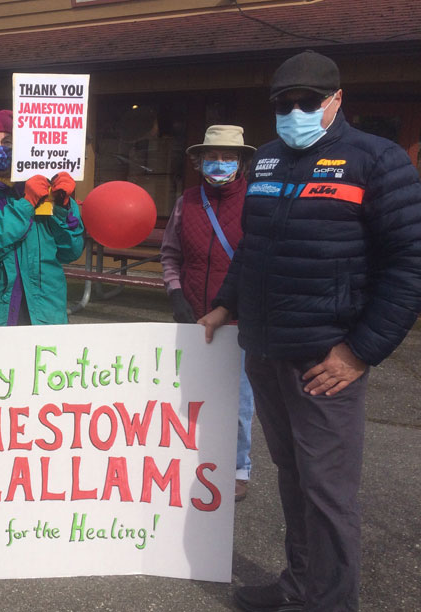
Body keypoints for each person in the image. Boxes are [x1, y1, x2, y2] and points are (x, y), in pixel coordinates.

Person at [199, 50, 421, 612]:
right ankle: (298, 586)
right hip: (267, 350)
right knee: (294, 481)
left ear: (336, 100)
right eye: (283, 103)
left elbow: (409, 264)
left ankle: (330, 602)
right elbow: (253, 247)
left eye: (307, 102)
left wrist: (360, 352)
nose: (293, 111)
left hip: (327, 361)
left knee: (327, 493)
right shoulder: (269, 162)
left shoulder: (378, 161)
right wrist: (225, 305)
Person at [160, 125, 256, 502]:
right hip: (191, 317)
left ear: (242, 162)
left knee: (239, 402)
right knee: (189, 396)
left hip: (238, 320)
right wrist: (175, 292)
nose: (218, 163)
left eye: (227, 156)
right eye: (211, 157)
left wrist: (231, 305)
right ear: (200, 161)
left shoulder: (254, 202)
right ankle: (191, 460)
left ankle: (237, 468)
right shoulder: (187, 201)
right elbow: (170, 254)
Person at [0, 110, 84, 326]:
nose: (0, 148)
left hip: (45, 314)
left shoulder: (48, 187)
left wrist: (63, 207)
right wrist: (26, 205)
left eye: (7, 141)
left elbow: (71, 252)